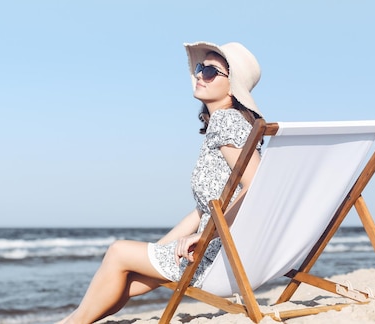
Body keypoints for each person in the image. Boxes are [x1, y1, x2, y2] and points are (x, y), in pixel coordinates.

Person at [57, 41, 264, 324]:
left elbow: (257, 186)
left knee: (118, 252)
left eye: (211, 72)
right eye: (201, 68)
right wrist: (160, 249)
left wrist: (205, 237)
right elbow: (203, 210)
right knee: (125, 277)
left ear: (232, 87)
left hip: (214, 257)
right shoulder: (227, 124)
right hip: (215, 251)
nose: (200, 75)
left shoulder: (226, 122)